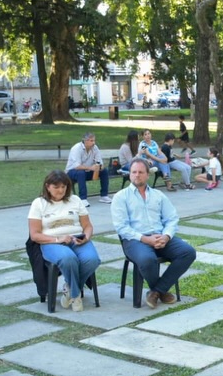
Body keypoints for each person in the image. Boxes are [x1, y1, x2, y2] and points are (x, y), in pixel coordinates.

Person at [111, 158, 197, 309]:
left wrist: (166, 236)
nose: (137, 175)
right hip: (135, 240)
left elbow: (172, 218)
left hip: (160, 236)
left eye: (140, 172)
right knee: (147, 259)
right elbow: (121, 227)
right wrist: (145, 239)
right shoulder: (121, 197)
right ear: (129, 174)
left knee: (188, 252)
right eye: (133, 172)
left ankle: (156, 291)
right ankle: (161, 291)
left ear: (147, 175)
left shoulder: (158, 195)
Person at [27, 170, 102, 311]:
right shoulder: (39, 203)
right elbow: (35, 235)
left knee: (93, 259)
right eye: (56, 187)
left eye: (64, 187)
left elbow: (87, 226)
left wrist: (86, 237)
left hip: (77, 239)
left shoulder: (75, 200)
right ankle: (75, 295)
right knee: (68, 258)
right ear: (48, 187)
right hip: (52, 242)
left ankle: (69, 289)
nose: (61, 190)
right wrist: (58, 239)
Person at [64, 132, 112, 204]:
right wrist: (91, 168)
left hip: (87, 171)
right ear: (85, 141)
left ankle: (104, 196)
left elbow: (100, 162)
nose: (94, 143)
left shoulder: (95, 148)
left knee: (104, 171)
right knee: (81, 173)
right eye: (91, 141)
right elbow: (77, 166)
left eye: (94, 140)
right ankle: (83, 198)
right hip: (72, 172)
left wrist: (99, 167)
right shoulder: (76, 148)